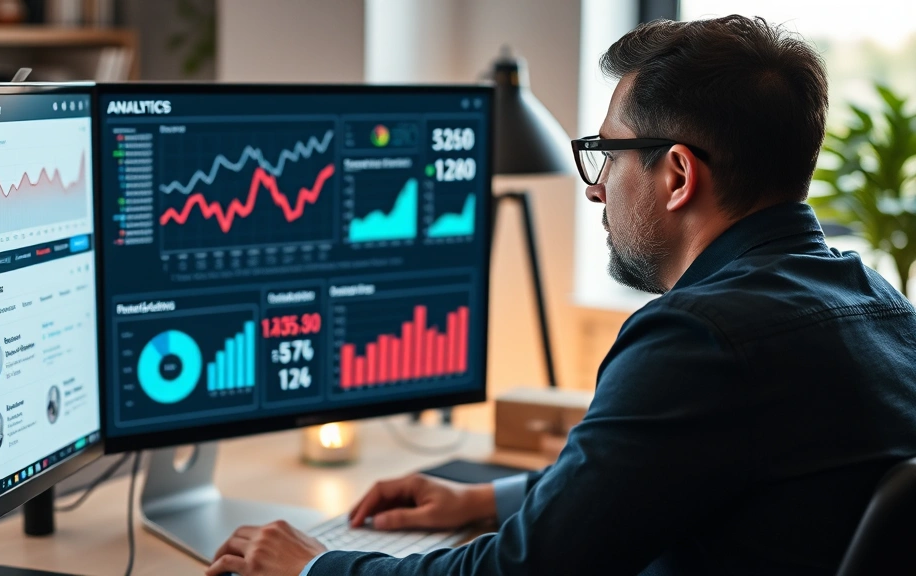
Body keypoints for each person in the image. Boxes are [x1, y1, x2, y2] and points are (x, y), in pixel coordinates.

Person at [208, 15, 916, 576]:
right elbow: (686, 473)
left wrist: (316, 566)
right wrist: (489, 499)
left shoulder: (699, 338)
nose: (594, 185)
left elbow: (524, 571)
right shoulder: (882, 306)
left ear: (676, 175)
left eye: (606, 153)